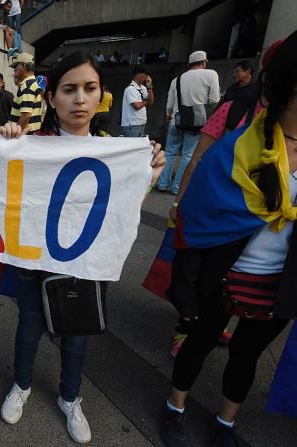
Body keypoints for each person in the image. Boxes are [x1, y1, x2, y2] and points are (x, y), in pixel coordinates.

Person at [0, 52, 165, 445]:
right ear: (51, 98)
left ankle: (71, 397)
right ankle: (21, 385)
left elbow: (121, 213)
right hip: (34, 267)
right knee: (28, 330)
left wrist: (148, 175)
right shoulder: (30, 144)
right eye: (68, 89)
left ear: (102, 95)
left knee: (78, 337)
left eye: (89, 88)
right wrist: (5, 140)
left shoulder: (116, 152)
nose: (79, 99)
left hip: (86, 267)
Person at [161, 31, 297, 447]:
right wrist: (185, 278)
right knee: (200, 342)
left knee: (246, 356)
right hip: (224, 273)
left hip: (279, 282)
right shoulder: (237, 146)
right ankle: (175, 409)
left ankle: (225, 423)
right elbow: (199, 215)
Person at [156, 51, 220, 196]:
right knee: (188, 154)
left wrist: (168, 114)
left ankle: (162, 183)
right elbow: (214, 100)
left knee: (170, 152)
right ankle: (177, 187)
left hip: (175, 121)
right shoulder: (211, 74)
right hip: (195, 122)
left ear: (189, 64)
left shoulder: (176, 79)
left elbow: (169, 104)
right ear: (203, 62)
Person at [8, 52, 42, 134]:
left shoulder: (26, 86)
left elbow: (26, 115)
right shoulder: (32, 83)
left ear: (23, 66)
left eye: (16, 66)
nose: (14, 69)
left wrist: (15, 134)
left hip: (25, 135)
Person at [120, 64, 153, 137]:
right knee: (131, 147)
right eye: (145, 75)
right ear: (138, 75)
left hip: (141, 124)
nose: (147, 78)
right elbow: (137, 106)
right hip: (132, 126)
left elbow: (150, 101)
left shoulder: (143, 88)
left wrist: (149, 87)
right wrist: (145, 101)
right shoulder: (130, 89)